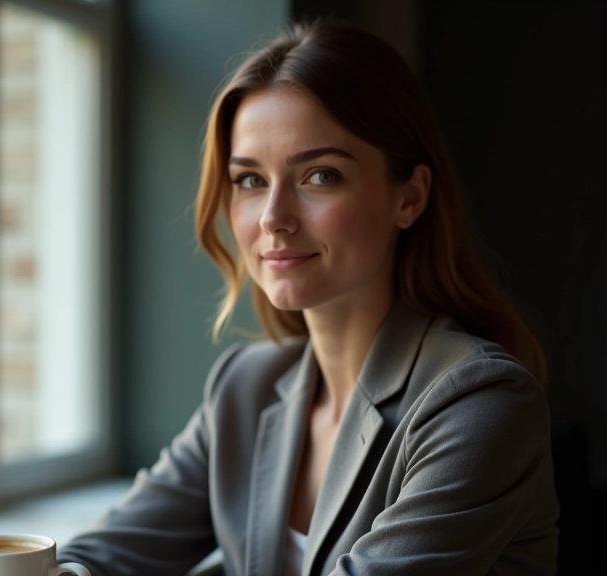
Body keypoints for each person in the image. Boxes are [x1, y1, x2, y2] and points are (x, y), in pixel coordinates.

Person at [57, 20, 559, 576]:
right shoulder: (242, 390)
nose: (273, 218)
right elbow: (96, 556)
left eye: (320, 175)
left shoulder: (480, 404)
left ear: (409, 198)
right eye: (250, 180)